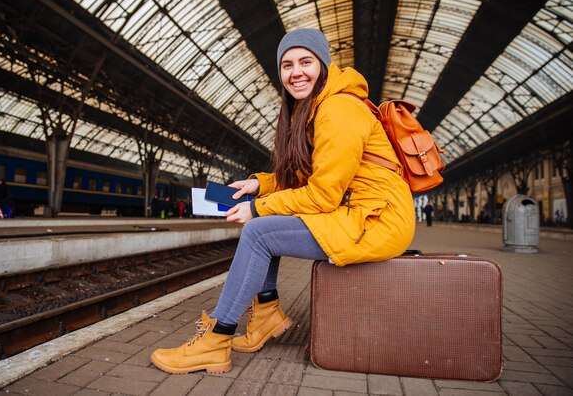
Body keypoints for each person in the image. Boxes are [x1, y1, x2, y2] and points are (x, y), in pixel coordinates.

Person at [150, 28, 416, 374]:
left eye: (306, 61)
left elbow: (322, 194)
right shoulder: (317, 107)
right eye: (287, 65)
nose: (296, 72)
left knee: (260, 232)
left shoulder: (337, 109)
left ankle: (215, 341)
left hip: (376, 222)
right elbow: (310, 176)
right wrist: (258, 186)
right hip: (360, 214)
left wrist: (259, 207)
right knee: (266, 228)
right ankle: (265, 314)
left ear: (322, 64)